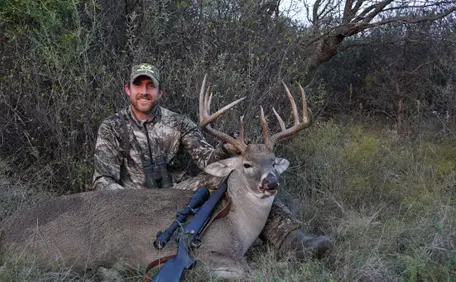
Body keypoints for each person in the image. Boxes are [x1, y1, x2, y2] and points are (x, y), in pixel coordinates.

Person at [92, 63, 332, 259]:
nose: (144, 91)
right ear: (127, 90)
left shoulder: (179, 123)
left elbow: (206, 159)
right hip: (131, 200)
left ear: (159, 92)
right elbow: (102, 179)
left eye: (150, 86)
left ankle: (291, 240)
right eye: (138, 85)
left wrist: (224, 148)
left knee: (232, 176)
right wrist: (125, 205)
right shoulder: (112, 127)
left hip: (175, 194)